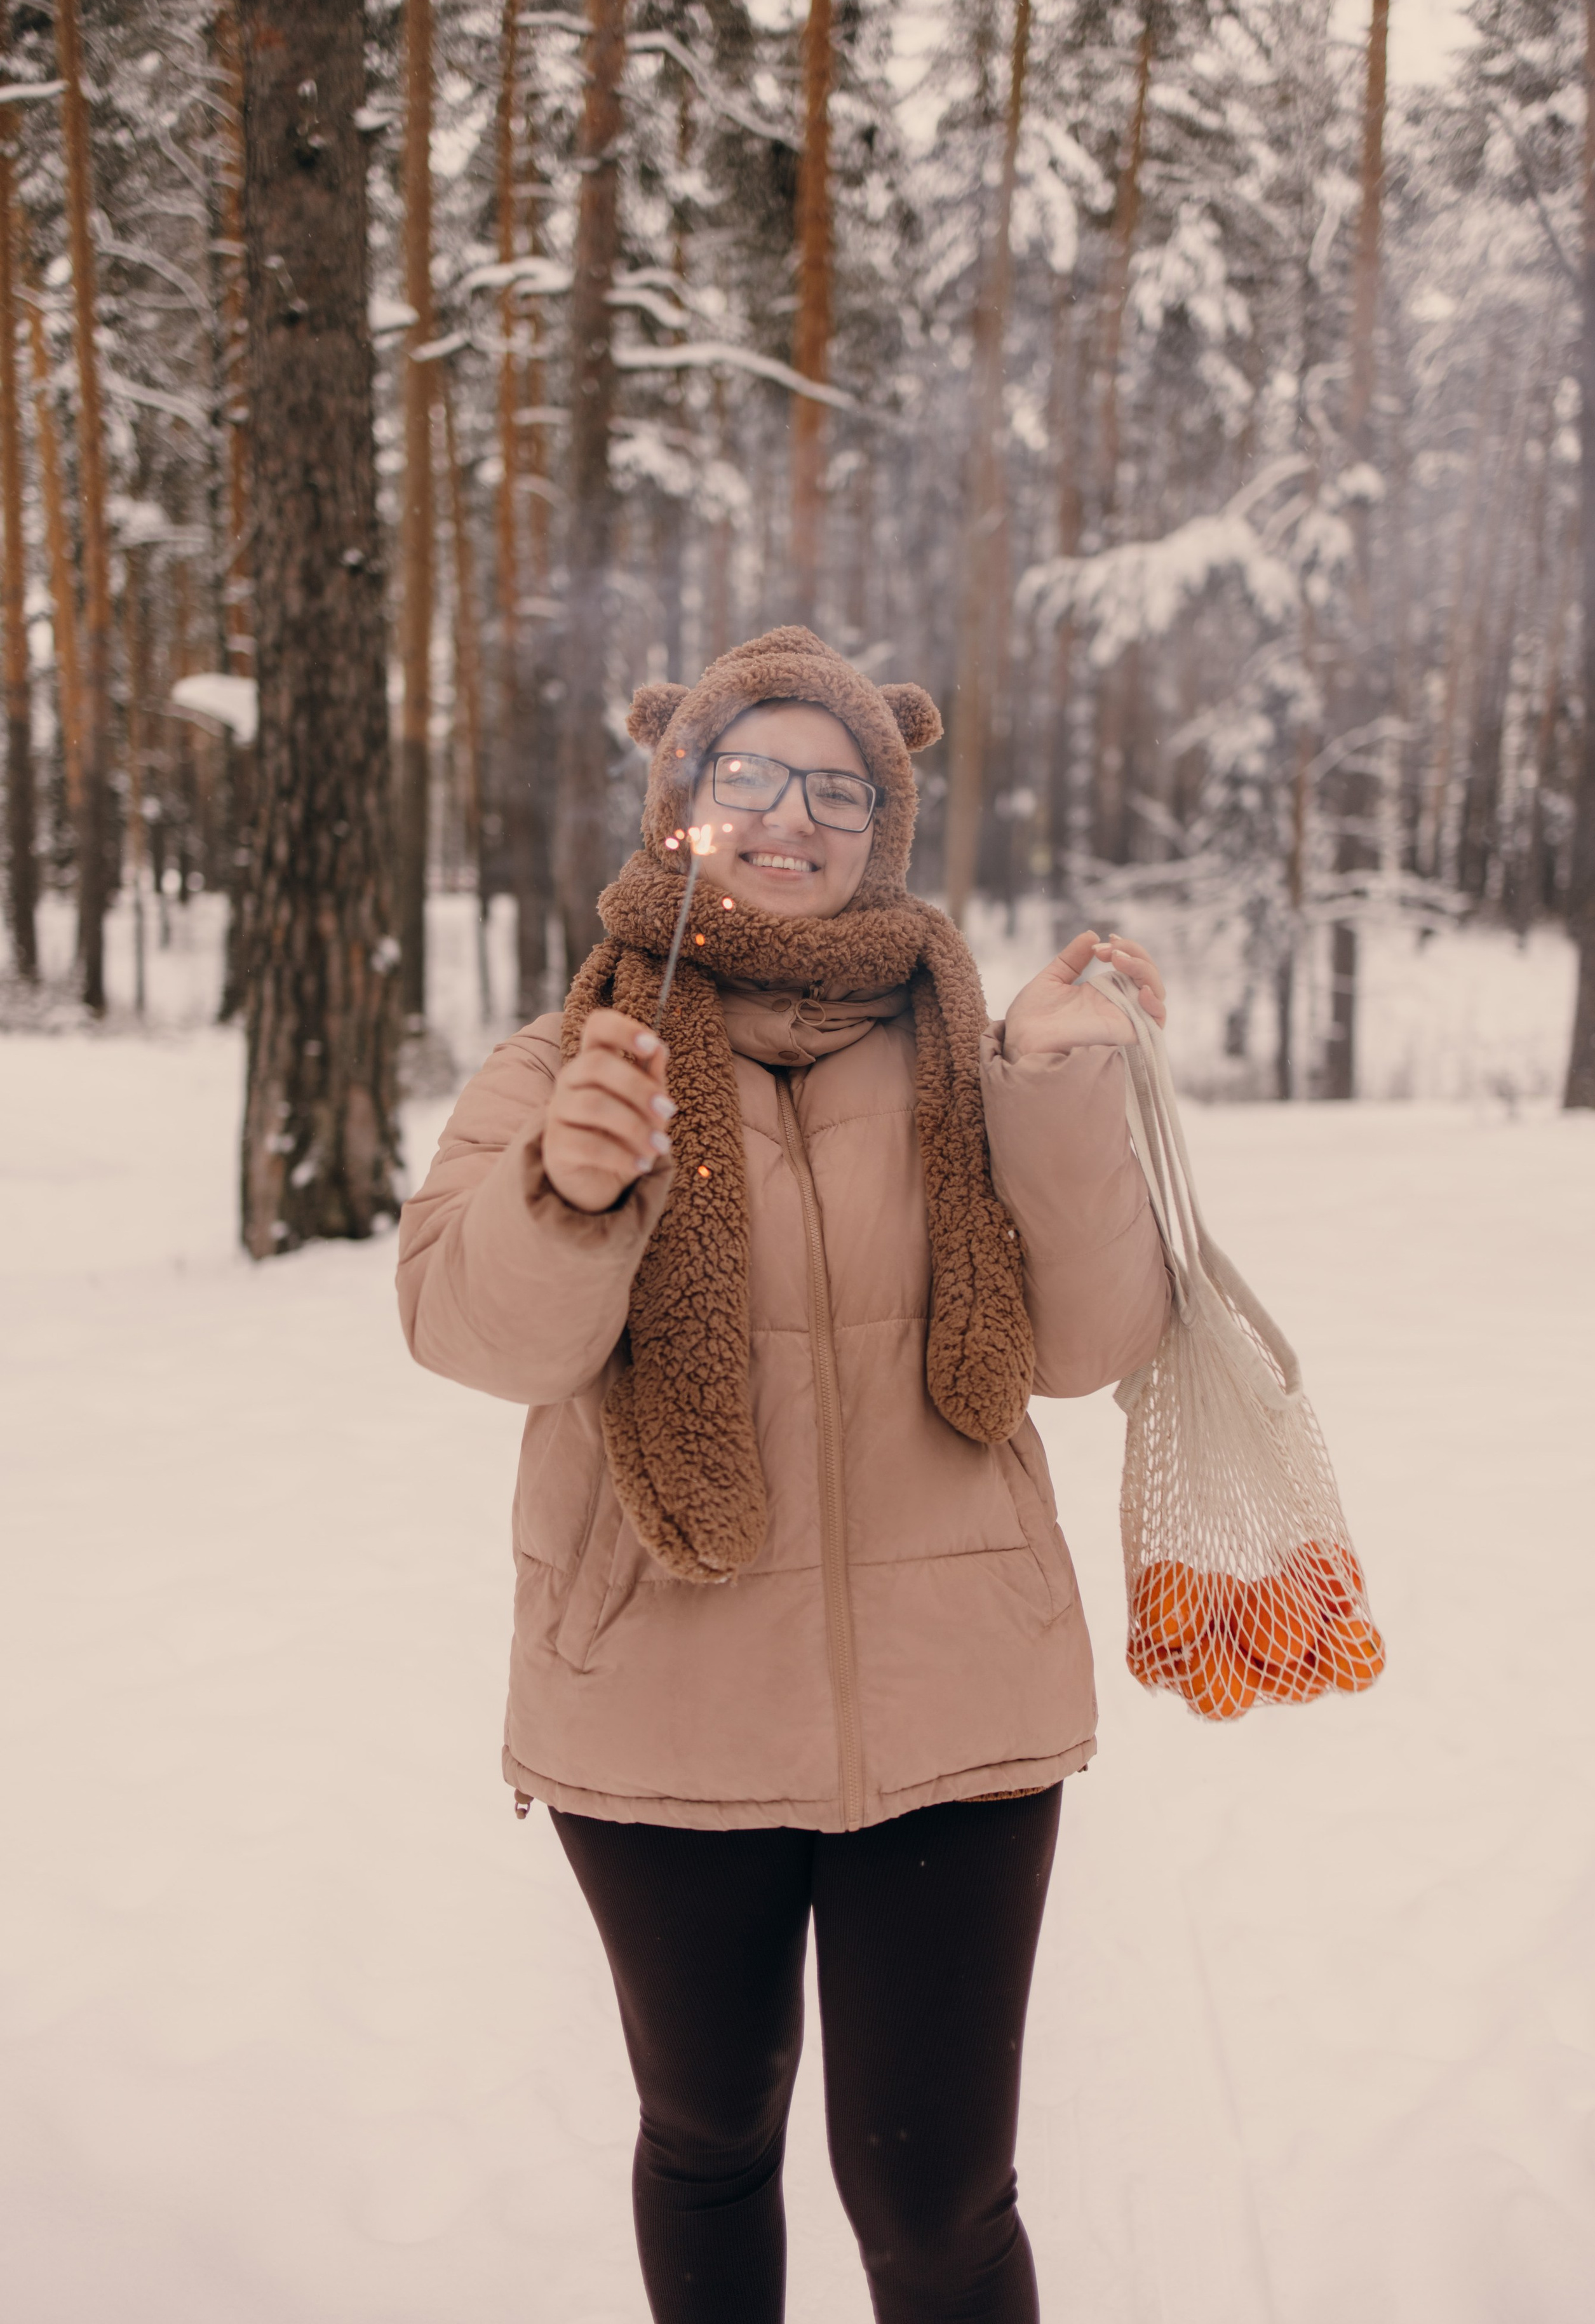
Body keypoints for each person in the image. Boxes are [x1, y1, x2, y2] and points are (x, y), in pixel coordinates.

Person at [397, 626, 1170, 2323]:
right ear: (681, 793)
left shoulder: (971, 1059)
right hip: (660, 1703)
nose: (792, 817)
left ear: (887, 824)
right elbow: (470, 1335)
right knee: (709, 2136)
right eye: (748, 775)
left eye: (838, 789)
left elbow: (1093, 1344)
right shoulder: (572, 1060)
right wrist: (569, 1192)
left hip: (958, 1707)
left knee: (940, 2202)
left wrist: (1059, 1084)